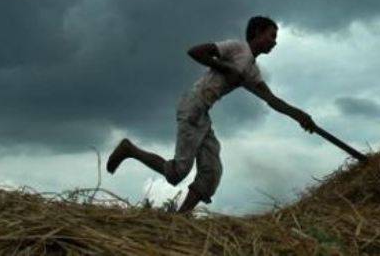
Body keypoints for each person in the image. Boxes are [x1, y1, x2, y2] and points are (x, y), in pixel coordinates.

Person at [106, 16, 317, 214]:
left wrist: (300, 116)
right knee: (177, 173)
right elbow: (195, 52)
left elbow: (272, 100)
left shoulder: (252, 71)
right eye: (271, 36)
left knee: (211, 172)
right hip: (193, 105)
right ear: (257, 32)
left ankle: (180, 220)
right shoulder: (237, 48)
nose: (274, 42)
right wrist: (225, 67)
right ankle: (129, 149)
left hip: (202, 113)